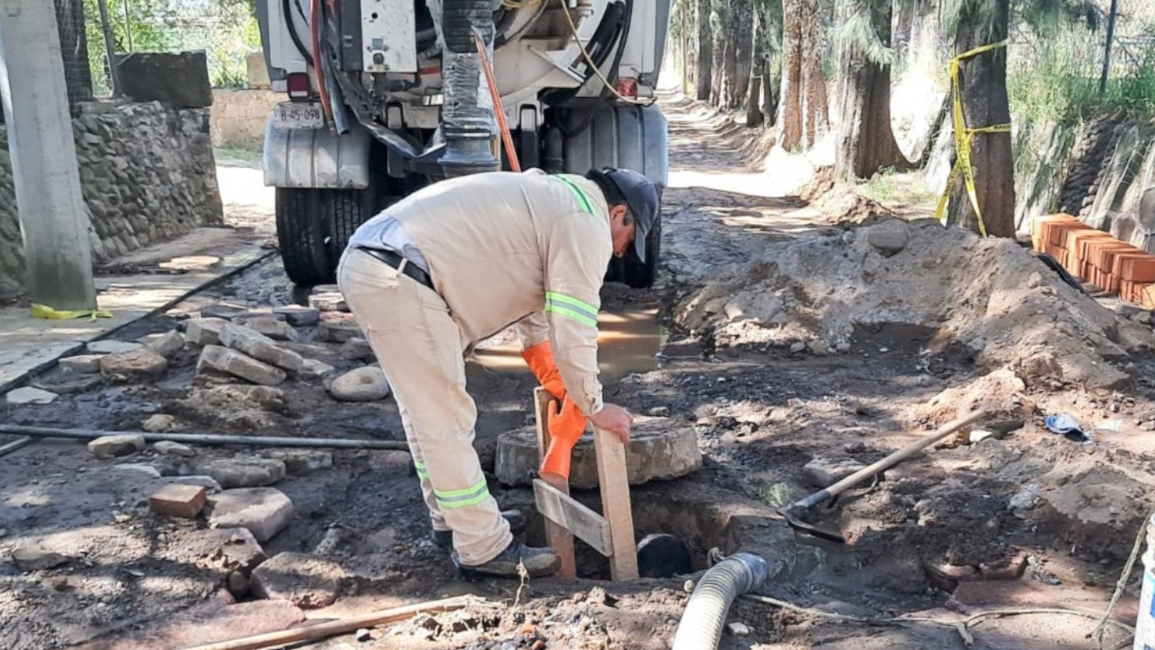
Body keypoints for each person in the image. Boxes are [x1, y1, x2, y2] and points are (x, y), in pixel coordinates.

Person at [336, 166, 660, 578]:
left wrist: (554, 375)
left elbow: (538, 314)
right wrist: (593, 404)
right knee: (445, 420)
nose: (620, 253)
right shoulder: (587, 223)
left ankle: (455, 522)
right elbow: (573, 325)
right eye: (628, 240)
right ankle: (483, 549)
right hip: (400, 276)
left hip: (379, 265)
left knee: (426, 416)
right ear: (619, 214)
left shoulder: (557, 197)